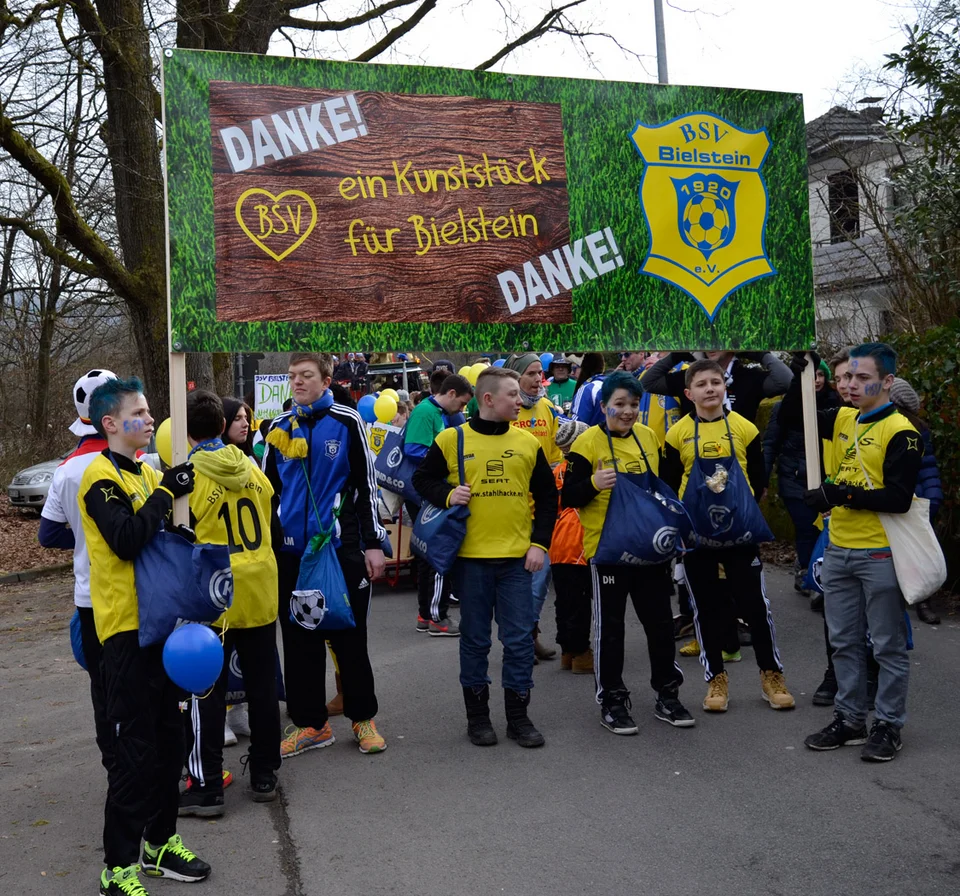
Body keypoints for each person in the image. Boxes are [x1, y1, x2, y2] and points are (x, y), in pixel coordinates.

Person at [77, 377, 210, 895]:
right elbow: (128, 539)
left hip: (164, 630)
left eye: (151, 411)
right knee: (134, 753)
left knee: (171, 742)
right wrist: (162, 493)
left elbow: (162, 540)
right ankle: (118, 865)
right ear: (110, 423)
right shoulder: (99, 476)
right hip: (125, 634)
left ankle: (160, 844)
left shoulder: (145, 471)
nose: (150, 419)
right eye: (139, 412)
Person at [413, 367, 558, 748]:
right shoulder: (451, 438)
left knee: (519, 641)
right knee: (475, 642)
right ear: (488, 399)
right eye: (512, 394)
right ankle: (478, 719)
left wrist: (539, 544)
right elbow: (421, 480)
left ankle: (518, 718)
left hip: (516, 562)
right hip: (471, 561)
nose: (520, 399)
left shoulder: (528, 443)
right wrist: (447, 495)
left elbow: (547, 498)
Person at [791, 345, 923, 761]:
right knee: (844, 642)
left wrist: (839, 493)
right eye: (844, 377)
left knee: (886, 646)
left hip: (880, 554)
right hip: (838, 549)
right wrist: (800, 379)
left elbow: (899, 498)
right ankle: (850, 720)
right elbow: (801, 420)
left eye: (859, 377)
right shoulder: (845, 416)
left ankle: (888, 725)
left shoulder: (902, 431)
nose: (848, 384)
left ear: (885, 382)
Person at [263, 352, 388, 758]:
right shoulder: (278, 428)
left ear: (326, 378)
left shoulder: (347, 421)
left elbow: (367, 488)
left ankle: (362, 718)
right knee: (300, 642)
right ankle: (310, 724)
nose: (297, 382)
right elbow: (267, 493)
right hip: (292, 555)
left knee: (350, 636)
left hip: (339, 550)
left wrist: (372, 543)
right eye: (292, 376)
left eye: (305, 376)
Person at [562, 372, 694, 734]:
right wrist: (593, 483)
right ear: (603, 407)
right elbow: (568, 496)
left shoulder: (649, 437)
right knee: (612, 630)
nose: (628, 411)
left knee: (659, 627)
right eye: (619, 404)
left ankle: (668, 695)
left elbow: (664, 486)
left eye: (634, 405)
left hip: (649, 551)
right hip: (607, 553)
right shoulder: (587, 443)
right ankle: (613, 701)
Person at [661, 360, 795, 714]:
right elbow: (669, 485)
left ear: (725, 386)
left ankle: (771, 674)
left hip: (740, 533)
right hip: (695, 535)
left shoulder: (745, 428)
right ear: (688, 393)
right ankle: (715, 680)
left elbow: (760, 480)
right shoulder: (676, 434)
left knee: (754, 605)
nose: (710, 388)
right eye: (702, 384)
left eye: (716, 382)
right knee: (705, 608)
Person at [179, 391, 282, 817]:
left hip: (214, 594)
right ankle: (264, 774)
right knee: (261, 685)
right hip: (259, 586)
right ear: (223, 427)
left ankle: (206, 784)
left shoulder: (186, 478)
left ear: (186, 433)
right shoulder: (251, 467)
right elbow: (272, 510)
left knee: (205, 689)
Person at [38, 369, 119, 775]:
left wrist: (85, 540)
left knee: (103, 687)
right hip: (133, 593)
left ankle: (114, 764)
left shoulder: (66, 469)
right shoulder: (134, 460)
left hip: (89, 596)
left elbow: (48, 534)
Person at [505, 352, 566, 661]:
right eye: (531, 373)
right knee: (518, 581)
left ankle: (530, 635)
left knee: (539, 580)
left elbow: (556, 455)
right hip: (512, 509)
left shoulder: (549, 409)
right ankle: (518, 639)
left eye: (540, 373)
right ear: (516, 378)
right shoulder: (509, 411)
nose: (537, 379)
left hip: (543, 509)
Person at [763, 359, 840, 601]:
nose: (815, 379)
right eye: (811, 374)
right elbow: (770, 445)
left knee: (827, 530)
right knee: (807, 527)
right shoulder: (786, 408)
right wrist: (762, 480)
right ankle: (809, 574)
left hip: (828, 480)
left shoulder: (838, 406)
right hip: (795, 478)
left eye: (820, 374)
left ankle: (819, 572)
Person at [404, 373, 473, 635]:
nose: (463, 410)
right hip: (428, 491)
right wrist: (445, 457)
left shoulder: (436, 412)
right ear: (452, 394)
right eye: (462, 403)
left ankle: (427, 615)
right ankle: (436, 617)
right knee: (436, 555)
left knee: (428, 557)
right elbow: (413, 449)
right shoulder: (425, 412)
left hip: (432, 491)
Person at [889, 377, 944, 626]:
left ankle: (921, 598)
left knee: (916, 550)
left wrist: (930, 499)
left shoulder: (915, 428)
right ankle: (918, 600)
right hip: (899, 496)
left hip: (913, 497)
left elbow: (927, 466)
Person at [548, 419, 592, 673]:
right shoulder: (586, 469)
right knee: (580, 601)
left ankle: (567, 651)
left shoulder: (557, 471)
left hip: (558, 540)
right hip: (580, 539)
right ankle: (581, 653)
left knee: (564, 600)